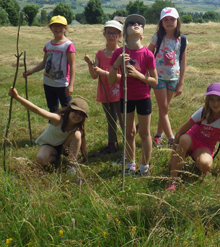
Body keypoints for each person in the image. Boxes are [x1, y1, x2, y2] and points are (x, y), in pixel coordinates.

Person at [108, 14, 158, 176]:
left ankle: (144, 167)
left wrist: (138, 76)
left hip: (144, 98)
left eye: (139, 24)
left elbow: (155, 81)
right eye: (131, 23)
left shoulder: (148, 54)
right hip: (126, 98)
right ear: (125, 32)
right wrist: (116, 65)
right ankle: (131, 164)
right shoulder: (119, 54)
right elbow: (110, 80)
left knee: (144, 133)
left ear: (142, 34)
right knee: (129, 133)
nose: (136, 24)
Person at [166, 83, 220, 192]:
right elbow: (180, 132)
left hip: (204, 147)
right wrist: (172, 156)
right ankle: (172, 180)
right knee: (184, 139)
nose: (215, 103)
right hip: (191, 140)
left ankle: (196, 160)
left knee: (205, 165)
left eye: (219, 99)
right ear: (207, 100)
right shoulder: (203, 112)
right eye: (211, 99)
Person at [8, 87, 88, 175]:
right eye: (75, 111)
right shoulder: (58, 119)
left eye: (81, 114)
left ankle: (72, 164)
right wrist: (17, 97)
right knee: (40, 159)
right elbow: (37, 110)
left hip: (65, 147)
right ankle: (57, 158)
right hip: (51, 145)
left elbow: (82, 141)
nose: (77, 116)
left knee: (77, 134)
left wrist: (84, 156)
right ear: (69, 110)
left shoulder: (79, 125)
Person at [147, 7, 187, 148]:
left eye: (172, 19)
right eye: (166, 19)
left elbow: (182, 61)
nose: (169, 22)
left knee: (165, 109)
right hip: (158, 78)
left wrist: (181, 83)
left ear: (177, 21)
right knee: (163, 108)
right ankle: (172, 139)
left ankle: (158, 135)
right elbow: (147, 54)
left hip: (173, 78)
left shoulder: (182, 39)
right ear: (161, 22)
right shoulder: (157, 38)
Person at [84, 20, 124, 156]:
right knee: (110, 119)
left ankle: (127, 144)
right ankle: (111, 144)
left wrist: (105, 73)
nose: (112, 35)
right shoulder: (100, 54)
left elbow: (123, 77)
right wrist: (90, 64)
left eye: (115, 33)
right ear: (104, 34)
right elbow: (94, 75)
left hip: (119, 93)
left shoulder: (122, 53)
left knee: (123, 119)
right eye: (109, 33)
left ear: (120, 35)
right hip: (105, 92)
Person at [23, 15, 76, 112]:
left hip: (62, 84)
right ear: (50, 28)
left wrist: (70, 85)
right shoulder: (48, 45)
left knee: (68, 109)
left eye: (60, 26)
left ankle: (69, 127)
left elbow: (72, 65)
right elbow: (44, 63)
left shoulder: (68, 45)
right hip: (48, 83)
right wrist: (32, 71)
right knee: (52, 109)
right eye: (55, 26)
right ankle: (54, 126)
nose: (58, 28)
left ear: (65, 28)